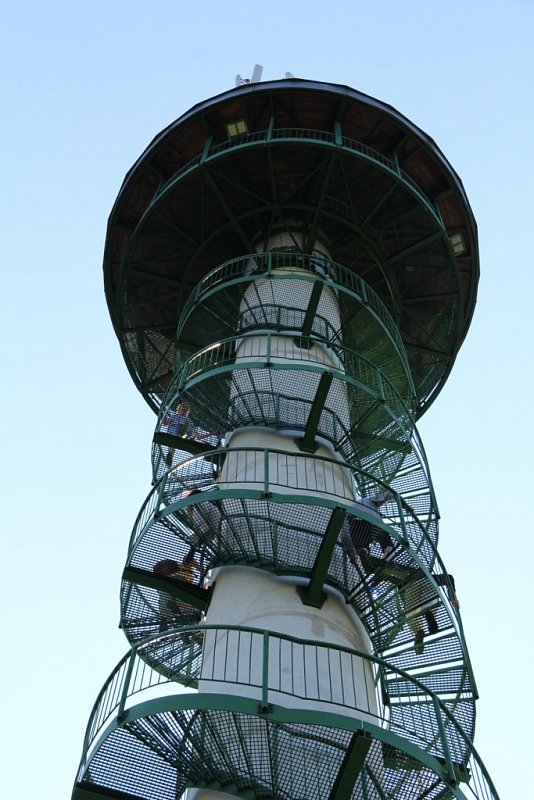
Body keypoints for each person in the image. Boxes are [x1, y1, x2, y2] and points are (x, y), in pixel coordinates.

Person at [153, 555, 201, 632]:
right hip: (181, 586)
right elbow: (189, 557)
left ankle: (165, 619)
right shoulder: (183, 567)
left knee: (165, 602)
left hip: (168, 589)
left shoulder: (164, 580)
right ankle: (183, 624)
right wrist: (200, 569)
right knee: (181, 600)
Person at [182, 488, 221, 562]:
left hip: (211, 523)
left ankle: (192, 550)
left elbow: (196, 522)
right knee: (200, 535)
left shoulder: (198, 504)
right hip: (215, 521)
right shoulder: (207, 502)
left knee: (197, 534)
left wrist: (189, 508)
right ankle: (193, 549)